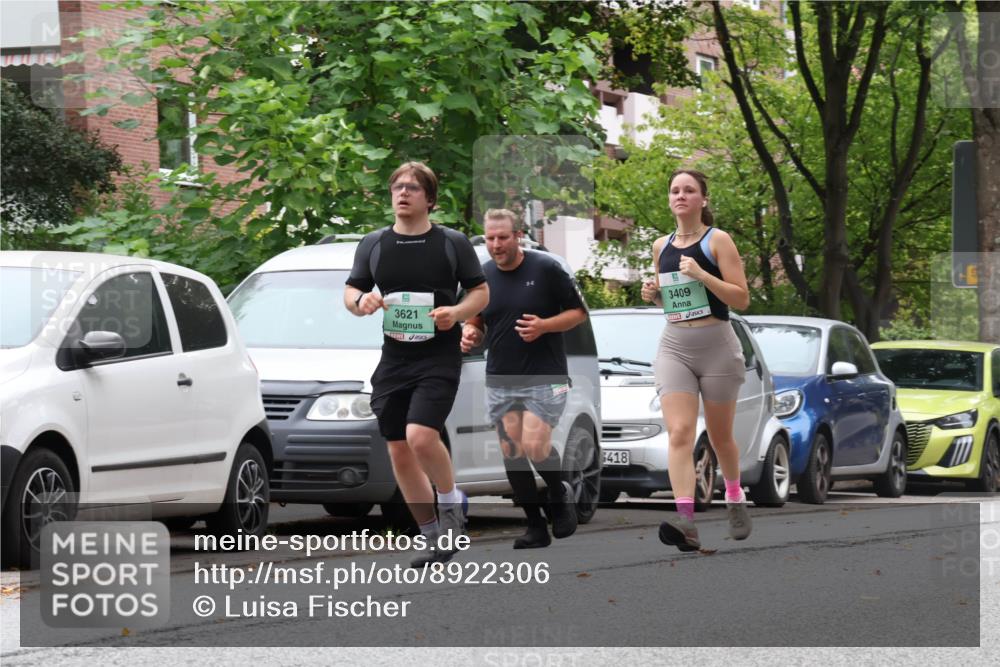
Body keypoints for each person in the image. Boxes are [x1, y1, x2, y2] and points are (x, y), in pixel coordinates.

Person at [345, 161, 490, 567]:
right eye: (397, 187)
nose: (403, 193)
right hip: (394, 359)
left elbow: (481, 293)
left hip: (438, 356)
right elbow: (352, 291)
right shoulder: (374, 243)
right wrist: (362, 301)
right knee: (399, 450)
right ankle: (431, 537)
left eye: (412, 187)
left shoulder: (451, 242)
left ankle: (451, 505)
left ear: (430, 199)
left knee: (421, 436)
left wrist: (456, 313)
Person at [461, 209, 588, 549]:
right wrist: (470, 333)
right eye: (490, 238)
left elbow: (578, 313)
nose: (496, 244)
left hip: (547, 374)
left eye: (503, 237)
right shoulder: (483, 276)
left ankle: (559, 494)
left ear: (518, 236)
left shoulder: (546, 268)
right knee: (512, 451)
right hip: (501, 376)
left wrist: (544, 326)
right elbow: (476, 320)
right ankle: (535, 525)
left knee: (533, 443)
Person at [640, 169, 752, 552]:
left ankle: (734, 496)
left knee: (720, 438)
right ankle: (686, 521)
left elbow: (740, 298)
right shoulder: (661, 245)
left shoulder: (717, 240)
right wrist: (653, 294)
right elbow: (673, 300)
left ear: (703, 199)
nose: (681, 196)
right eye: (675, 190)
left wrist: (703, 274)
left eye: (689, 190)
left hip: (717, 346)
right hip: (675, 346)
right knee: (680, 433)